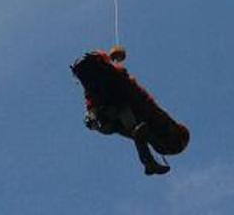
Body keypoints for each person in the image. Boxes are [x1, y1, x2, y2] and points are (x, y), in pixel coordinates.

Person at [71, 46, 190, 176]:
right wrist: (92, 117)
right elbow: (95, 103)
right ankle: (147, 153)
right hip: (121, 111)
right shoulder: (103, 81)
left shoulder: (103, 79)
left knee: (124, 118)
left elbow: (120, 81)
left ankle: (146, 151)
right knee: (119, 118)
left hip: (126, 111)